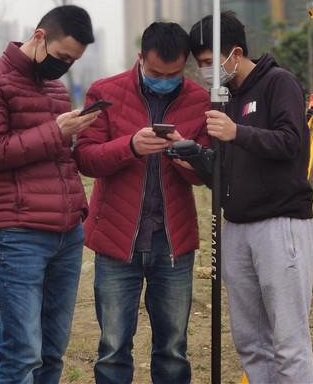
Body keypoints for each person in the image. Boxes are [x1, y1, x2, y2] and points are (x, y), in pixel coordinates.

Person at [0, 5, 100, 384]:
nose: (63, 67)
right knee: (22, 353)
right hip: (17, 232)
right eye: (61, 57)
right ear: (39, 37)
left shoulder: (54, 89)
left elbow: (57, 158)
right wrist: (57, 131)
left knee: (52, 349)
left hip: (67, 232)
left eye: (72, 61)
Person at [74, 22, 210, 384]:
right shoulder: (105, 93)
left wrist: (190, 157)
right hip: (117, 242)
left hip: (174, 242)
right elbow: (85, 158)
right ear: (140, 59)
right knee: (113, 348)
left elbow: (207, 173)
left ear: (185, 67)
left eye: (174, 74)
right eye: (155, 73)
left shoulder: (199, 100)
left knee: (173, 348)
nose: (164, 79)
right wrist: (130, 146)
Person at [189, 11, 313, 384]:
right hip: (238, 227)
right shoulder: (224, 99)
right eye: (200, 65)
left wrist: (237, 132)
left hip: (281, 224)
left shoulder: (280, 84)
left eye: (212, 62)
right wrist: (195, 159)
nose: (207, 71)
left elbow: (292, 143)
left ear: (237, 52)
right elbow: (227, 170)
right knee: (250, 340)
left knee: (288, 339)